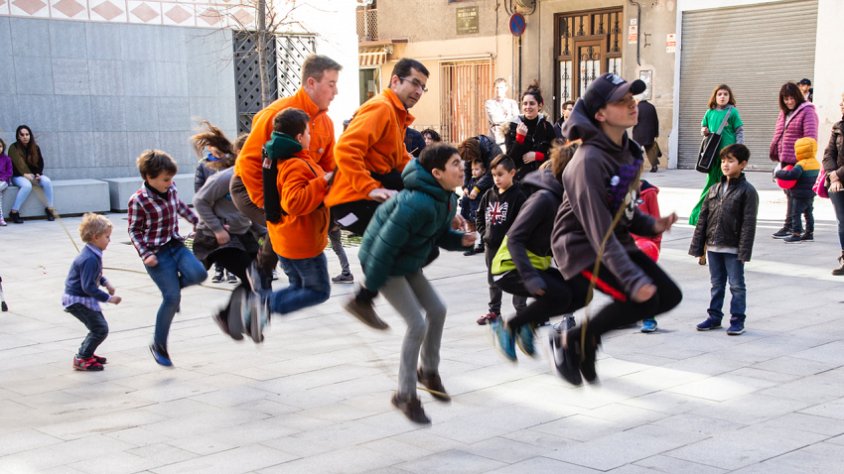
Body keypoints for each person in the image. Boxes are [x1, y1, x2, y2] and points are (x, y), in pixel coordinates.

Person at [550, 73, 682, 386]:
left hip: (612, 239)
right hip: (580, 247)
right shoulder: (588, 162)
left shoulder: (631, 152)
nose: (632, 105)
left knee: (669, 296)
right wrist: (633, 279)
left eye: (633, 98)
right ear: (600, 114)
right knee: (641, 298)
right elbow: (598, 231)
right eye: (621, 101)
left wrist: (651, 224)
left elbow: (624, 209)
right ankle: (571, 341)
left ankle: (583, 339)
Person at [342, 143, 475, 424]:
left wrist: (457, 240)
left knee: (437, 309)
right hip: (384, 264)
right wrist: (366, 294)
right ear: (437, 172)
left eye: (460, 162)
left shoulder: (446, 198)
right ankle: (405, 394)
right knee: (417, 324)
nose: (462, 166)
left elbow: (436, 234)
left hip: (407, 260)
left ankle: (428, 371)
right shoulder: (414, 203)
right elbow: (382, 249)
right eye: (455, 163)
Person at [231, 55, 341, 277]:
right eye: (331, 84)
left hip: (291, 191)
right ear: (311, 83)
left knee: (302, 217)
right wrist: (270, 205)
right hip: (251, 186)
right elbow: (248, 162)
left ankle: (263, 275)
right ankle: (261, 277)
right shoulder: (277, 116)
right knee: (285, 222)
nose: (335, 91)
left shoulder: (326, 123)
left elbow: (330, 166)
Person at [248, 108, 333, 342]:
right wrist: (323, 181)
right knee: (318, 291)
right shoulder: (294, 163)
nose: (310, 136)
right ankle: (262, 304)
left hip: (287, 240)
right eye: (308, 132)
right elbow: (294, 202)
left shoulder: (279, 157)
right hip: (302, 244)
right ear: (298, 137)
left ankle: (260, 312)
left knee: (297, 286)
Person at [489, 142, 576, 361]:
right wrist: (529, 277)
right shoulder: (544, 199)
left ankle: (528, 324)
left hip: (537, 265)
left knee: (576, 292)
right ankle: (508, 326)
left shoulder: (565, 199)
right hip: (510, 268)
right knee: (561, 294)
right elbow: (515, 239)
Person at [326, 58, 429, 236]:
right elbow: (345, 149)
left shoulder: (395, 113)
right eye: (415, 83)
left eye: (423, 87)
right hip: (353, 202)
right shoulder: (381, 107)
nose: (419, 91)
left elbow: (400, 160)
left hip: (362, 200)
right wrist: (371, 188)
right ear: (395, 81)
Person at [128, 150, 208, 367]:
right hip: (156, 254)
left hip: (176, 244)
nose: (170, 183)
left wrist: (196, 221)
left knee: (199, 273)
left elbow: (180, 206)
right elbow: (134, 231)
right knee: (171, 298)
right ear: (148, 177)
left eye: (171, 178)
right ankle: (159, 345)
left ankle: (174, 292)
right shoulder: (138, 200)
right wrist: (145, 254)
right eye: (165, 179)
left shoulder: (170, 188)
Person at [192, 147, 262, 342]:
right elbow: (199, 200)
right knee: (251, 277)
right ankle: (233, 317)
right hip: (216, 238)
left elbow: (250, 209)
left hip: (241, 234)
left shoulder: (253, 178)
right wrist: (217, 229)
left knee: (258, 278)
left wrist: (264, 232)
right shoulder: (225, 177)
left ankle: (241, 319)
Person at [689, 144, 758, 336]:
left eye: (731, 161)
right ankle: (714, 316)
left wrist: (744, 251)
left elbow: (748, 223)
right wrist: (698, 247)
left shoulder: (748, 191)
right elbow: (703, 219)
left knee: (736, 285)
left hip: (733, 248)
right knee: (716, 284)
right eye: (723, 161)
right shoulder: (714, 189)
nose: (725, 165)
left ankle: (737, 320)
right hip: (713, 247)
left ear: (742, 164)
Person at [62, 213, 121, 371]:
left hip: (84, 298)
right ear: (96, 237)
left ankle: (87, 352)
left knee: (98, 327)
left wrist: (105, 282)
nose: (109, 240)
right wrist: (109, 298)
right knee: (100, 329)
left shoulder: (93, 253)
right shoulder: (90, 258)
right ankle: (82, 357)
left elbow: (96, 274)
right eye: (107, 237)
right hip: (78, 300)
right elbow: (88, 286)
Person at [475, 155, 528, 326]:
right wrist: (484, 234)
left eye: (500, 174)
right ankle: (494, 312)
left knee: (517, 279)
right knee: (493, 280)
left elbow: (525, 221)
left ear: (512, 173)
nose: (496, 179)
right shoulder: (489, 194)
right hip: (491, 246)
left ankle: (522, 312)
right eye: (494, 175)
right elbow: (479, 215)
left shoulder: (519, 197)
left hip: (511, 248)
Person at [690, 85, 744, 227]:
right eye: (719, 94)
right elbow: (703, 128)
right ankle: (699, 215)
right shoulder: (709, 112)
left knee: (729, 184)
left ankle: (728, 215)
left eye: (725, 94)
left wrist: (739, 149)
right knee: (711, 184)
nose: (722, 96)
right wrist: (704, 130)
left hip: (729, 154)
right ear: (715, 97)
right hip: (713, 155)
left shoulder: (733, 112)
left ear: (729, 97)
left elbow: (739, 131)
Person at [769, 82, 818, 239]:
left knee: (797, 196)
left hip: (799, 161)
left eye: (791, 98)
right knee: (789, 194)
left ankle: (795, 227)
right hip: (785, 158)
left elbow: (810, 137)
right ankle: (791, 225)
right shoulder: (784, 113)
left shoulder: (807, 111)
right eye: (785, 99)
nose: (789, 102)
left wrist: (803, 160)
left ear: (797, 96)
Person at [193, 121, 238, 284]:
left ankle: (231, 271)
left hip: (228, 208)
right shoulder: (204, 164)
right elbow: (199, 189)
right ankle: (219, 270)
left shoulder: (231, 162)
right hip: (212, 207)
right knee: (217, 239)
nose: (215, 154)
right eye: (213, 151)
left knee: (230, 240)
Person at [458, 135, 501, 255]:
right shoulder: (470, 151)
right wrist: (465, 186)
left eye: (471, 158)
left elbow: (492, 173)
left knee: (488, 216)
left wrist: (477, 188)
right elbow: (466, 169)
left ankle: (488, 242)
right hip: (475, 188)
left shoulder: (493, 150)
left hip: (492, 186)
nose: (469, 160)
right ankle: (479, 241)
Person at [505, 85, 556, 181]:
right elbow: (510, 159)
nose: (528, 107)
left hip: (543, 178)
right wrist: (519, 139)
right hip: (521, 180)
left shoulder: (547, 127)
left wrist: (538, 156)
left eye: (532, 103)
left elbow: (556, 154)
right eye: (525, 104)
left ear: (540, 105)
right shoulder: (512, 127)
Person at [7, 125, 56, 223]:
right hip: (17, 176)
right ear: (18, 136)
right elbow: (12, 166)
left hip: (33, 175)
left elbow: (40, 163)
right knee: (27, 186)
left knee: (47, 181)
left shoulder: (35, 147)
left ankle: (50, 209)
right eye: (22, 134)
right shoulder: (13, 148)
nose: (25, 136)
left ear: (30, 135)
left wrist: (38, 174)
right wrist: (24, 175)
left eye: (27, 134)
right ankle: (14, 211)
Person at [774, 137, 819, 243]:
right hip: (811, 193)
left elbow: (792, 175)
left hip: (799, 194)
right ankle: (809, 233)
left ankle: (796, 234)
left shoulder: (801, 164)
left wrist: (778, 173)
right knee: (809, 213)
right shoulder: (816, 163)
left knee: (796, 213)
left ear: (799, 151)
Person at [632, 179, 663, 333]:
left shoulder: (648, 193)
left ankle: (649, 318)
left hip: (646, 247)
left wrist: (655, 245)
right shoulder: (619, 191)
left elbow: (656, 220)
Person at [822, 92, 844, 275]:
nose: (842, 106)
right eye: (842, 103)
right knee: (842, 222)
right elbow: (828, 154)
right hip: (838, 183)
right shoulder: (838, 127)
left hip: (839, 178)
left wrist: (836, 174)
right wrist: (832, 176)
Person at [485, 78, 520, 149]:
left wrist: (505, 118)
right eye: (497, 88)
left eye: (501, 88)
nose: (498, 90)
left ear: (506, 88)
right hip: (495, 137)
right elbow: (495, 119)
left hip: (510, 136)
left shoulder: (512, 103)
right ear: (494, 89)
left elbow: (516, 119)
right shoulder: (489, 103)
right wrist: (508, 117)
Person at [633, 98, 661, 173]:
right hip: (650, 132)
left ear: (638, 100)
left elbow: (634, 120)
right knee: (650, 150)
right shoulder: (651, 107)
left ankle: (637, 167)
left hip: (639, 132)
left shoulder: (637, 107)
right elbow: (656, 120)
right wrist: (656, 133)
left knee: (637, 150)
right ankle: (654, 166)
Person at [0, 138, 11, 226]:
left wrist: (2, 178)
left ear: (3, 147)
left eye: (0, 146)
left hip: (4, 182)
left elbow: (9, 172)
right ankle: (1, 218)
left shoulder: (7, 159)